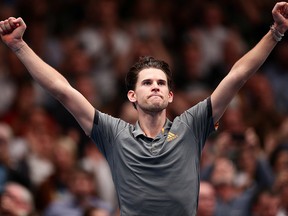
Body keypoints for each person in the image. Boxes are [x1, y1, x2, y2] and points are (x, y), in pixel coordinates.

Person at [0, 2, 288, 215]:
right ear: (132, 96)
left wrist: (275, 32)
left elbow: (237, 75)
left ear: (171, 95)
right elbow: (62, 89)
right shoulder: (113, 133)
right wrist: (20, 47)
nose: (155, 87)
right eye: (147, 82)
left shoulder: (192, 125)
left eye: (161, 83)